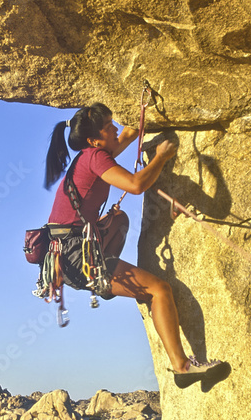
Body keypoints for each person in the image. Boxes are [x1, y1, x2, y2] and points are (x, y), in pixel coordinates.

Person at [44, 102, 228, 388]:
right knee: (159, 289)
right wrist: (161, 158)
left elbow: (127, 135)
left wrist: (142, 110)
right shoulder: (95, 157)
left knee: (119, 218)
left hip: (70, 254)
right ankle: (183, 367)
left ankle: (106, 283)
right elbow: (135, 184)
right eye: (108, 127)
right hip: (76, 256)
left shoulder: (90, 156)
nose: (115, 128)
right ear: (94, 140)